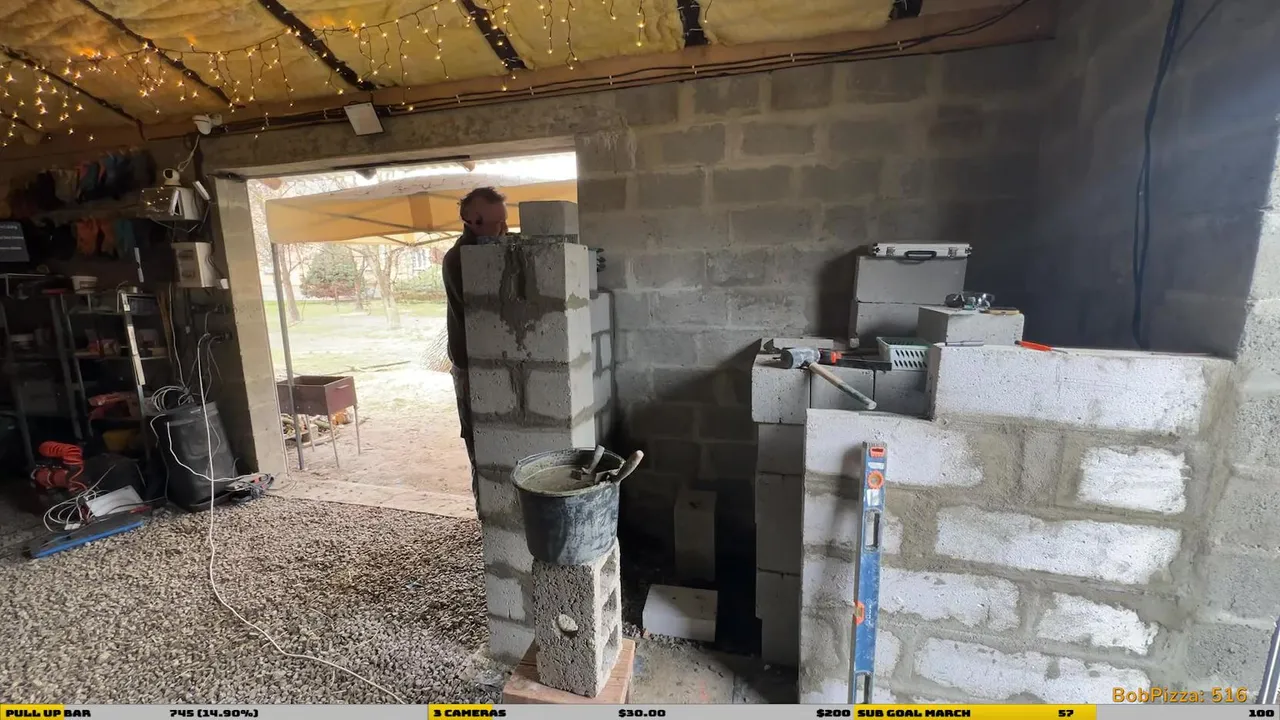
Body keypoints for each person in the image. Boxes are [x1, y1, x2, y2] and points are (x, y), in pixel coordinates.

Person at [442, 187, 508, 502]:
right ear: (471, 221)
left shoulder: (491, 250)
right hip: (471, 365)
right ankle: (486, 512)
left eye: (504, 222)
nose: (503, 230)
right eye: (495, 224)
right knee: (481, 444)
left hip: (492, 362)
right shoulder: (460, 259)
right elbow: (486, 311)